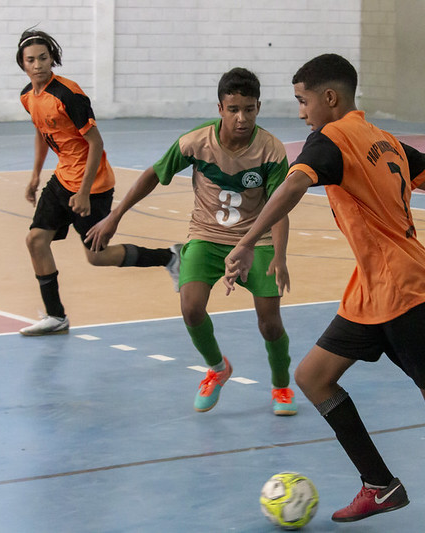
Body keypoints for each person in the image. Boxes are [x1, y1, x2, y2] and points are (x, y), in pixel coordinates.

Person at [224, 54, 425, 522]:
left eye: (303, 101)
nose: (302, 112)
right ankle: (379, 486)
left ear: (330, 98)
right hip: (375, 291)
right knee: (313, 377)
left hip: (403, 294)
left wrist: (247, 240)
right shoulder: (384, 140)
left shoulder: (332, 139)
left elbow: (294, 186)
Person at [85, 67, 297, 416]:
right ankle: (217, 367)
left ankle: (281, 386)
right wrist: (115, 216)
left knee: (269, 321)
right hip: (206, 237)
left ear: (258, 107)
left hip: (254, 240)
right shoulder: (196, 142)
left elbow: (278, 208)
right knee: (191, 307)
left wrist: (281, 255)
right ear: (220, 108)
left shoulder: (271, 151)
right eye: (233, 109)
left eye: (249, 109)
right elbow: (154, 174)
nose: (241, 118)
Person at [16, 28, 179, 336]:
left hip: (93, 185)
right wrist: (36, 175)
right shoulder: (28, 96)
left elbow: (95, 143)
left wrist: (83, 192)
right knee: (35, 241)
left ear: (52, 59)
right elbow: (42, 131)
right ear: (22, 64)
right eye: (31, 60)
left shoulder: (68, 95)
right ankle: (56, 317)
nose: (37, 65)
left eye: (43, 58)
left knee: (97, 256)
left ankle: (170, 257)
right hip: (63, 178)